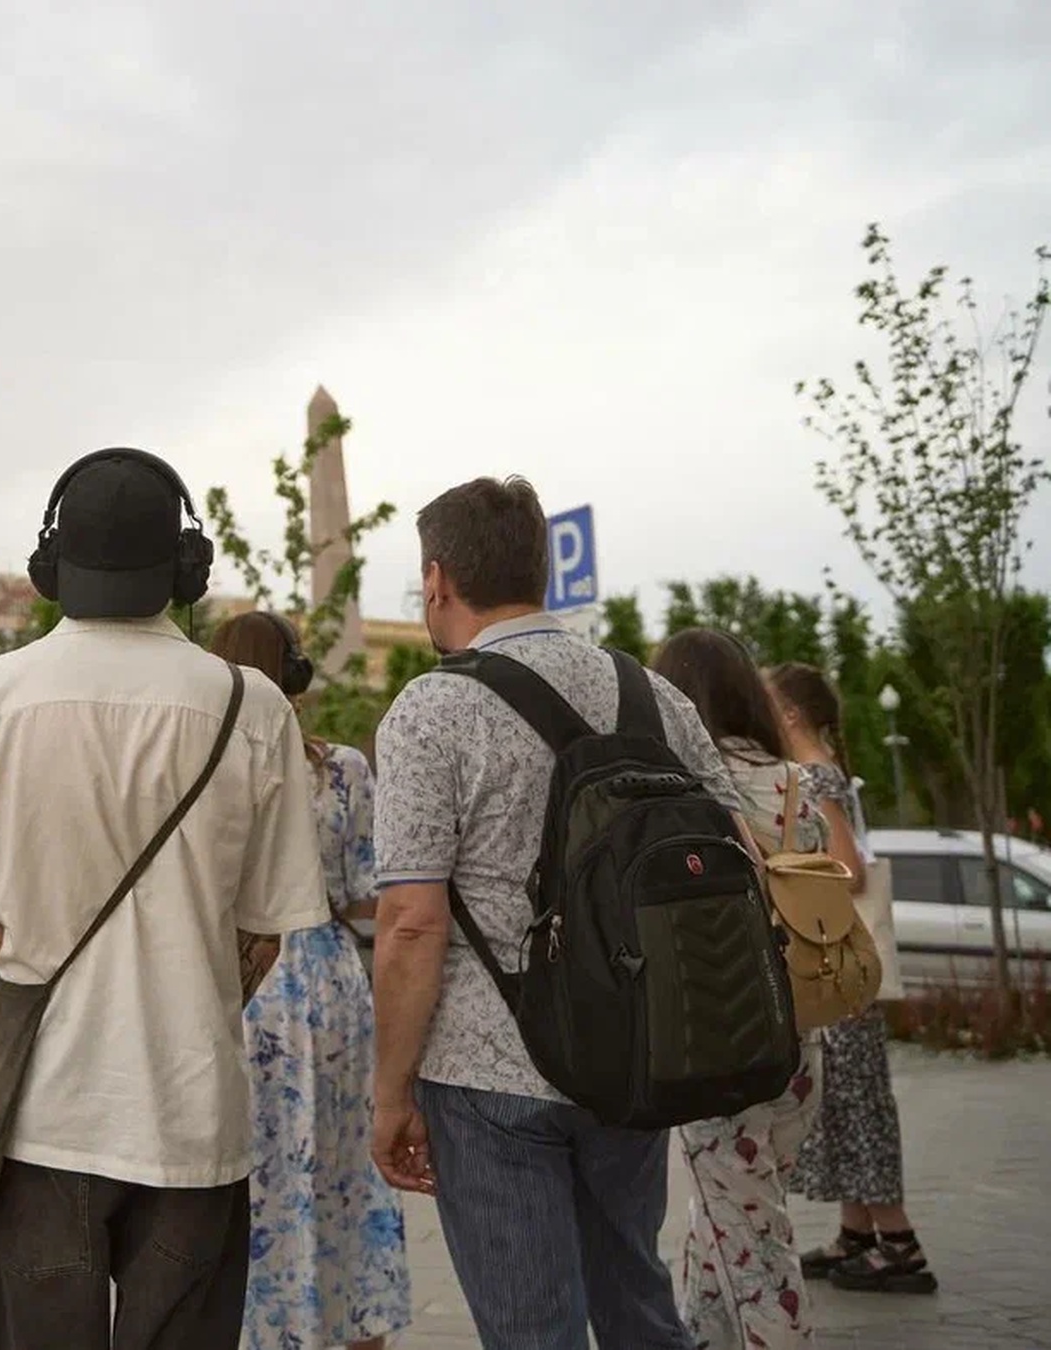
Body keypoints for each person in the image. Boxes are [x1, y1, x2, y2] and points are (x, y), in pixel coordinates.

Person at [0, 447, 330, 1350]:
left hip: (43, 1119)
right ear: (187, 567)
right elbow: (265, 933)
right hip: (193, 1115)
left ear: (50, 564)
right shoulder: (251, 706)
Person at [369, 477, 744, 1350]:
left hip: (489, 1069)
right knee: (636, 1301)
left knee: (530, 1328)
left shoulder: (430, 710)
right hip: (640, 1050)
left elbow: (411, 923)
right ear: (538, 569)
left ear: (436, 579)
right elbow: (739, 855)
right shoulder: (652, 695)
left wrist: (389, 1093)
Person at [208, 612, 411, 1350]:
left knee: (246, 1185)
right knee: (343, 1175)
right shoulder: (341, 769)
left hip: (231, 982)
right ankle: (351, 1327)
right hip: (324, 982)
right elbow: (367, 890)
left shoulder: (198, 768)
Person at [652, 629, 827, 1349]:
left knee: (755, 1245)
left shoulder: (682, 785)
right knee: (729, 1217)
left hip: (719, 1029)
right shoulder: (795, 785)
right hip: (800, 1032)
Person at [770, 662, 938, 1295]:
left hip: (840, 968)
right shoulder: (825, 771)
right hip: (842, 970)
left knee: (859, 1103)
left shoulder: (814, 777)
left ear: (790, 714)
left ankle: (898, 1241)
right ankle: (858, 1232)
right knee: (842, 1101)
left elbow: (848, 869)